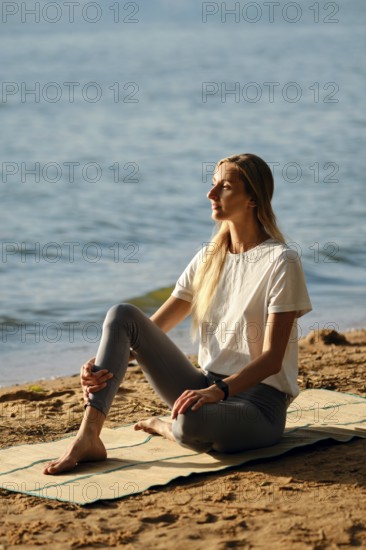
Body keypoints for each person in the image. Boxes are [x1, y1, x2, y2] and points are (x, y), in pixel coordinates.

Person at [43, 153, 312, 475]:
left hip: (257, 405)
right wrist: (100, 365)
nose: (211, 195)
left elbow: (272, 358)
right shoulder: (209, 256)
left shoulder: (281, 261)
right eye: (212, 185)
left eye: (224, 187)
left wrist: (218, 392)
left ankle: (167, 427)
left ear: (253, 198)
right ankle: (88, 437)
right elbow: (146, 332)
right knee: (122, 314)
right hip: (202, 385)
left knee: (189, 423)